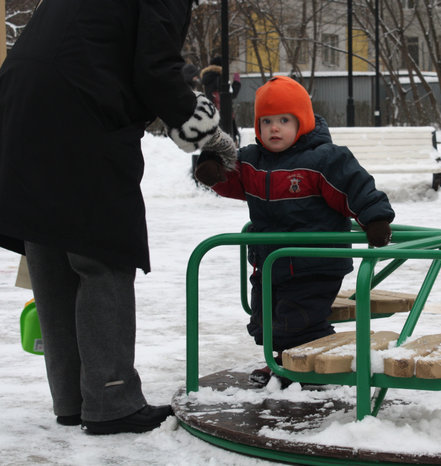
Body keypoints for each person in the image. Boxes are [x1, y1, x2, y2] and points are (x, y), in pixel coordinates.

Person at [0, 0, 236, 434]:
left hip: (18, 102)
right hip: (80, 107)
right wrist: (209, 135)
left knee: (51, 244)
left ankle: (73, 398)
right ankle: (111, 399)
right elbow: (155, 69)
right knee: (102, 251)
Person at [194, 76, 394, 387]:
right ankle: (283, 363)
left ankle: (319, 365)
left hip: (314, 264)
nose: (274, 128)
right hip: (269, 263)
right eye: (267, 121)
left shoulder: (324, 159)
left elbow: (356, 189)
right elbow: (231, 179)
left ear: (303, 121)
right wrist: (213, 170)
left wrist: (376, 218)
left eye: (284, 120)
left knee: (297, 321)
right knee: (265, 323)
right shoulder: (251, 160)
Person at [200, 56, 242, 145]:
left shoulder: (207, 78)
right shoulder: (220, 77)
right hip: (223, 115)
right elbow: (231, 94)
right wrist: (237, 81)